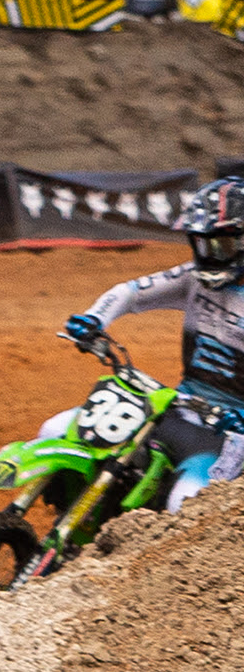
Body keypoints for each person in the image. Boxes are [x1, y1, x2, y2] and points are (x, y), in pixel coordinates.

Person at [65, 175, 244, 508]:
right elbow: (131, 292)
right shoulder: (194, 278)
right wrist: (94, 319)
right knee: (60, 430)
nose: (209, 254)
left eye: (221, 244)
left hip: (234, 435)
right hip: (180, 406)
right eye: (201, 243)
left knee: (184, 502)